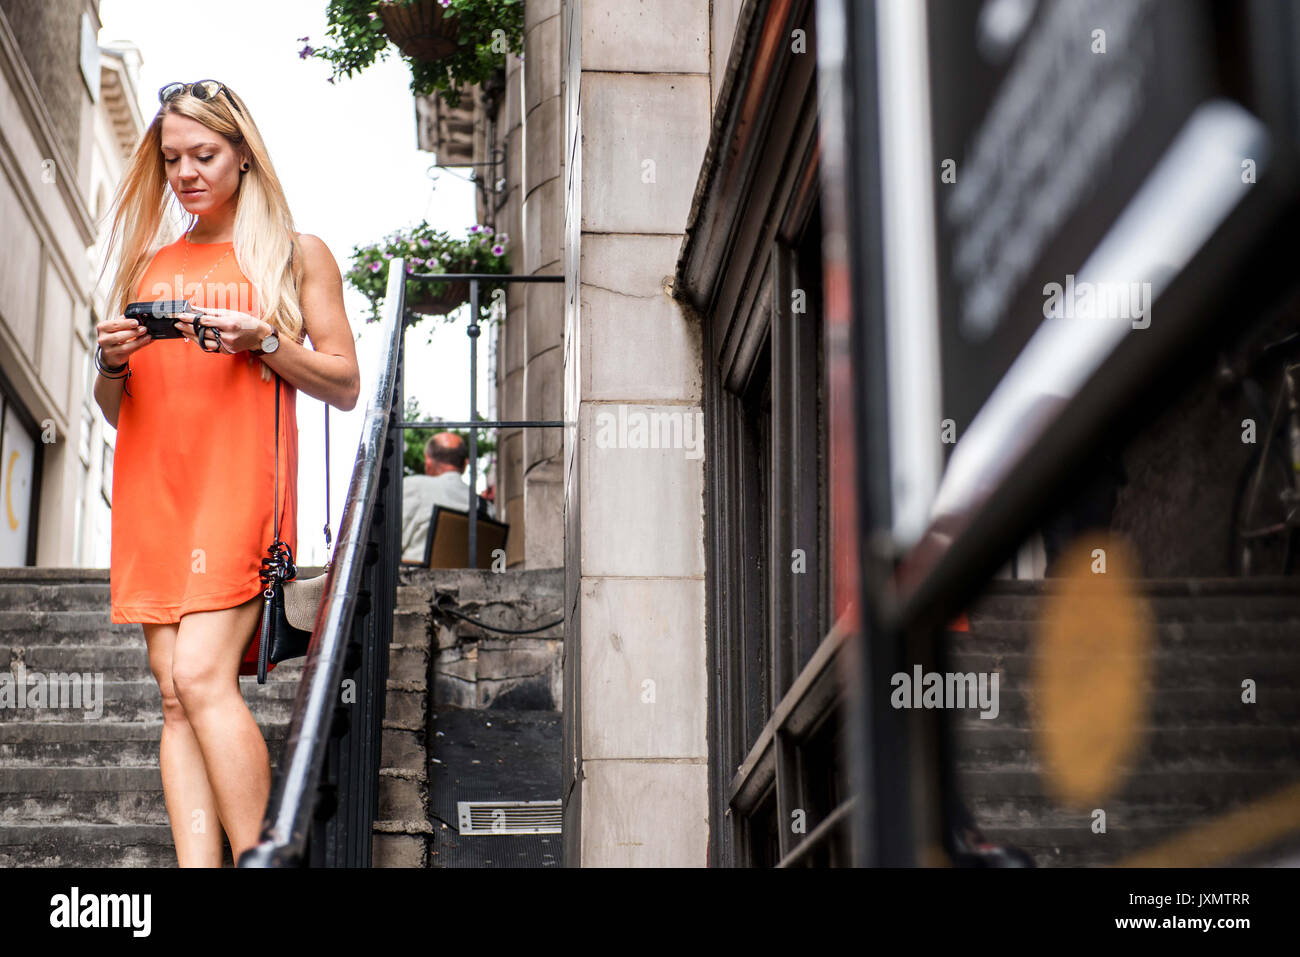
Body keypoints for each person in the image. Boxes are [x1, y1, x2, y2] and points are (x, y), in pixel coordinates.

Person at [92, 79, 360, 867]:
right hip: (154, 489)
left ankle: (264, 858)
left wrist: (264, 341)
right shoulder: (148, 262)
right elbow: (117, 409)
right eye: (172, 158)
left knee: (203, 674)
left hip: (238, 489)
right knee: (174, 695)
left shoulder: (294, 253)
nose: (186, 172)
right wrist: (109, 366)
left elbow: (344, 383)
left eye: (204, 154)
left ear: (243, 152)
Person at [400, 431, 493, 562]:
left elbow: (391, 541)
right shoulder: (486, 507)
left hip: (415, 578)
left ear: (428, 462)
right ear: (465, 465)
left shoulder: (412, 486)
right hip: (473, 580)